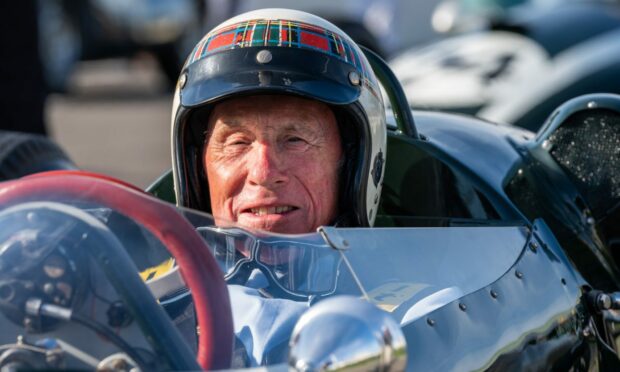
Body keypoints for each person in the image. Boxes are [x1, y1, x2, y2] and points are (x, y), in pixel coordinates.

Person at [166, 8, 388, 366]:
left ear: (352, 164)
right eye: (237, 142)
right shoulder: (141, 300)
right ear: (196, 167)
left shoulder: (412, 314)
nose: (264, 172)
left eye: (296, 139)